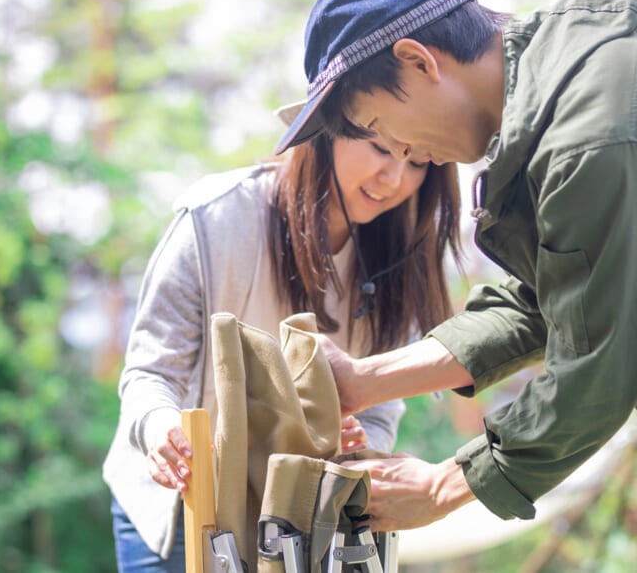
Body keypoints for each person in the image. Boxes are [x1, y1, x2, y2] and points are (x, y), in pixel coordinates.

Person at [273, 0, 637, 568]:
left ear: (419, 62)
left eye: (377, 124)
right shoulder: (575, 92)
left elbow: (599, 357)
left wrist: (446, 485)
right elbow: (557, 300)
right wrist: (366, 380)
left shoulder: (597, 133)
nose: (402, 152)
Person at [102, 126, 462, 571]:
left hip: (296, 514)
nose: (393, 177)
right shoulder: (215, 217)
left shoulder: (407, 257)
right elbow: (151, 372)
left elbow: (380, 408)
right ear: (325, 130)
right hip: (180, 498)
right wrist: (161, 431)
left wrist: (360, 438)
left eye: (419, 162)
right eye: (381, 148)